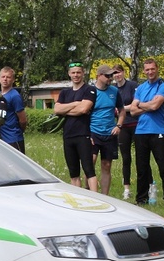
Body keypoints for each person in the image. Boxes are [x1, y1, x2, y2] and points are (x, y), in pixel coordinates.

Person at [129, 58, 164, 204]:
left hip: (158, 130)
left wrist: (141, 104)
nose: (150, 72)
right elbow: (133, 111)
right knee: (141, 168)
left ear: (157, 69)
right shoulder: (141, 88)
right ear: (144, 71)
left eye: (152, 69)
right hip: (141, 131)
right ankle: (141, 198)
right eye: (147, 70)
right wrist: (147, 105)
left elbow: (156, 106)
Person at [53, 61, 98, 190]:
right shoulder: (64, 92)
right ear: (69, 74)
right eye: (73, 73)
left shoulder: (89, 90)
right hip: (68, 136)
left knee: (89, 170)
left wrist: (65, 110)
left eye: (78, 72)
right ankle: (78, 199)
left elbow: (83, 110)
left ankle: (96, 198)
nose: (76, 75)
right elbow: (56, 109)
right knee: (73, 173)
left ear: (83, 73)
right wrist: (75, 103)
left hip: (83, 135)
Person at [87, 64, 125, 196]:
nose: (111, 78)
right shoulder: (90, 91)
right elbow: (84, 113)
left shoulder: (114, 91)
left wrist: (118, 125)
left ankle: (104, 197)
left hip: (109, 133)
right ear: (99, 76)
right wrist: (87, 133)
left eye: (112, 75)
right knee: (90, 163)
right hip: (93, 132)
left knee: (106, 165)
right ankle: (89, 194)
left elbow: (122, 111)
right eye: (108, 76)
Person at [0, 66, 27, 153]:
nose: (5, 79)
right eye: (3, 77)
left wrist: (18, 131)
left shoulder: (15, 96)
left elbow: (23, 120)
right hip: (0, 138)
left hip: (13, 138)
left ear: (13, 80)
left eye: (8, 77)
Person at [113, 64, 138, 200]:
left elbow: (136, 104)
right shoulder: (112, 89)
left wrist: (121, 109)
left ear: (124, 72)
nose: (117, 75)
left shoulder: (132, 85)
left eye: (119, 72)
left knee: (142, 156)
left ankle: (148, 183)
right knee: (126, 158)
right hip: (122, 126)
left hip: (136, 124)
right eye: (115, 73)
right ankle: (126, 189)